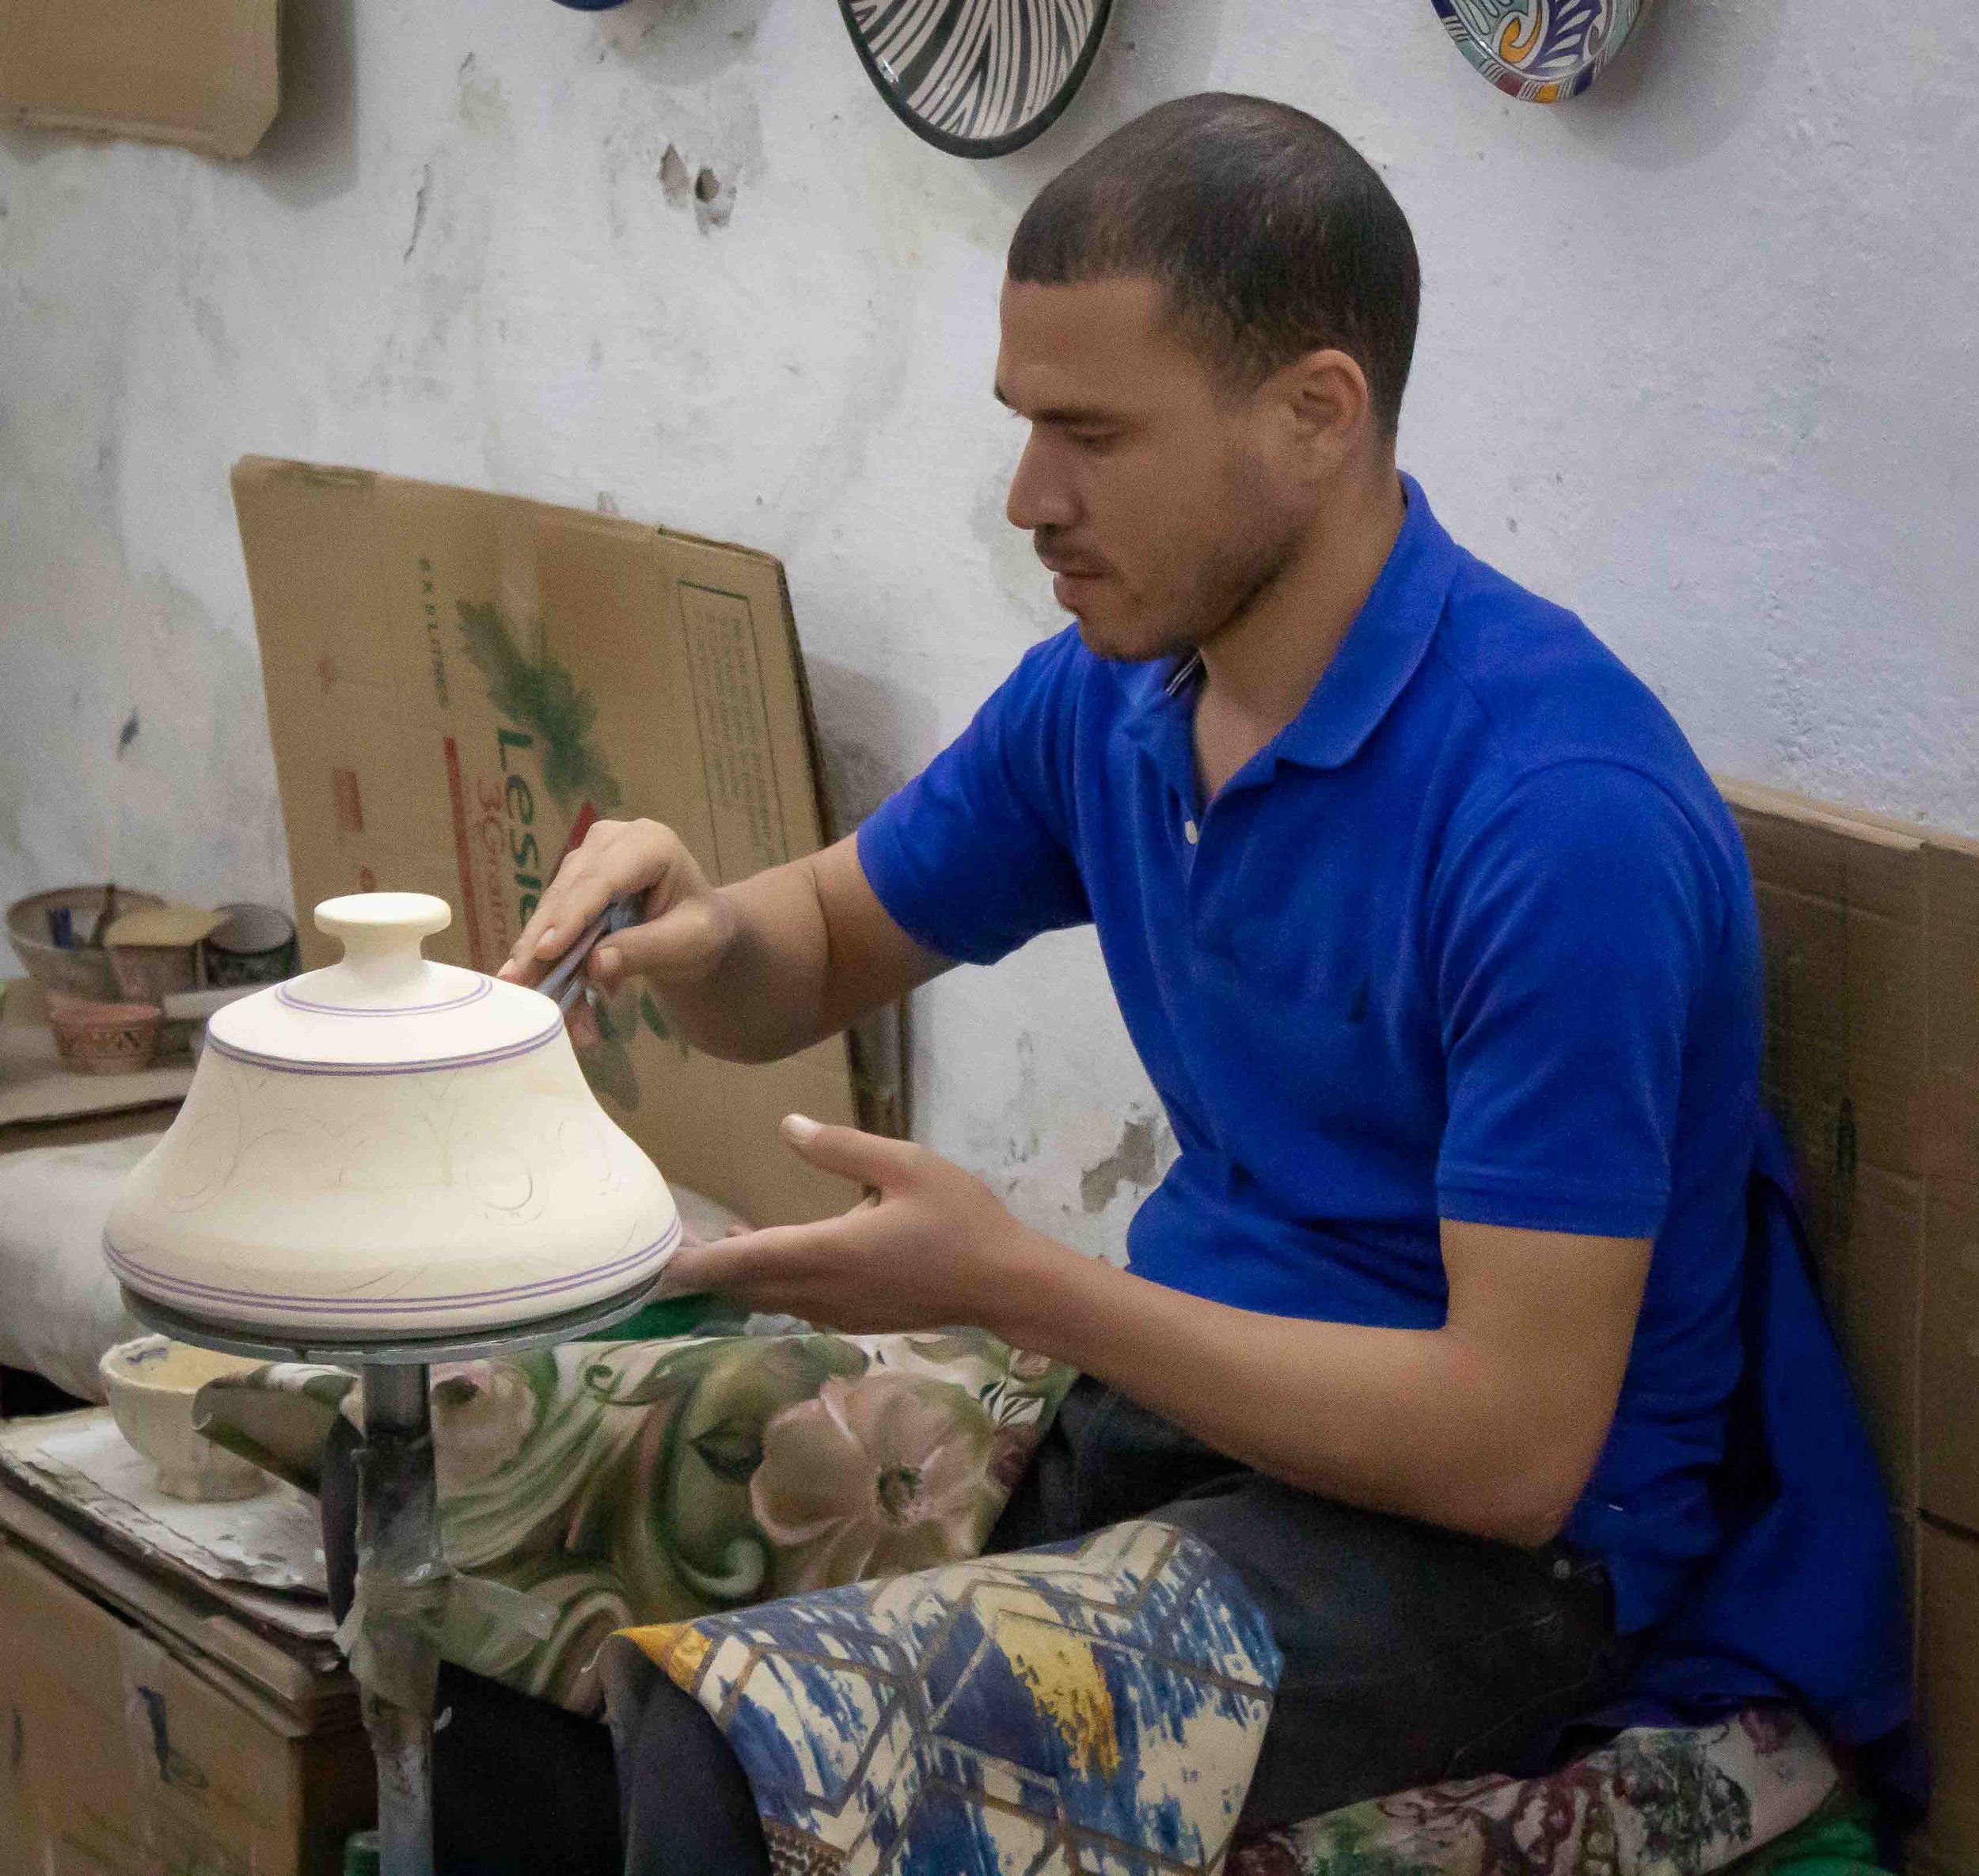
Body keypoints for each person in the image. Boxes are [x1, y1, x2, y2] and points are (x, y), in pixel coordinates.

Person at [496, 93, 1815, 1876]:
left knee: (746, 1736)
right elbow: (808, 950)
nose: (1030, 496)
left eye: (1090, 433)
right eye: (1025, 423)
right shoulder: (1114, 697)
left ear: (1314, 415)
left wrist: (1025, 1289)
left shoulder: (1554, 816)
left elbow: (1510, 1452)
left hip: (1487, 1573)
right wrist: (692, 927)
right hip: (1183, 1427)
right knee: (488, 1503)